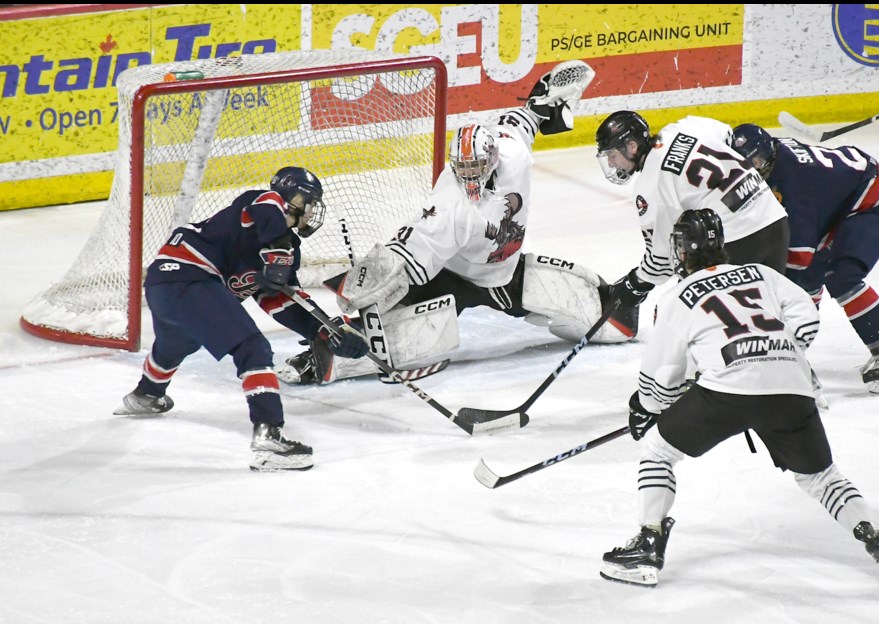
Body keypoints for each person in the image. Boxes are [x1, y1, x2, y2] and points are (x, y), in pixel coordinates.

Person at [599, 208, 879, 589]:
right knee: (821, 477)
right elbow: (806, 317)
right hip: (792, 388)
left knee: (657, 451)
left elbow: (661, 376)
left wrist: (648, 408)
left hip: (726, 393)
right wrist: (778, 353)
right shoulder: (761, 273)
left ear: (681, 251)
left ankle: (648, 548)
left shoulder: (677, 295)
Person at [281, 61, 640, 386]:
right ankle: (324, 355)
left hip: (505, 273)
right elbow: (409, 251)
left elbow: (531, 115)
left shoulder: (513, 151)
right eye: (462, 168)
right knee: (398, 341)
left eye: (476, 168)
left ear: (493, 159)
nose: (469, 176)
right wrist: (370, 281)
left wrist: (555, 96)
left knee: (617, 323)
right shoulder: (449, 203)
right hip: (453, 277)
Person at [113, 167, 369, 472]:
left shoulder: (288, 249)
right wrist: (277, 250)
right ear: (292, 198)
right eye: (307, 200)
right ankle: (268, 436)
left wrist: (322, 331)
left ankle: (146, 395)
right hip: (190, 273)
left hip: (166, 286)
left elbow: (279, 297)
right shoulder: (259, 206)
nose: (312, 209)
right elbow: (268, 206)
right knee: (253, 349)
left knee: (177, 344)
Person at [730, 123, 879, 394]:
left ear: (768, 152)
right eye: (748, 164)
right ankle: (788, 355)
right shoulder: (772, 155)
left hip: (866, 198)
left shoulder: (795, 183)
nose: (754, 169)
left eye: (757, 161)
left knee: (840, 276)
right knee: (804, 282)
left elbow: (798, 259)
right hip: (832, 203)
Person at [594, 111, 791, 316]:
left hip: (738, 241)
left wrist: (635, 284)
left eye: (612, 155)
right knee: (768, 313)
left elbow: (661, 260)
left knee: (674, 314)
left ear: (631, 147)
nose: (610, 163)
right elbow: (728, 135)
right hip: (775, 218)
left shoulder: (650, 185)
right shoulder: (685, 126)